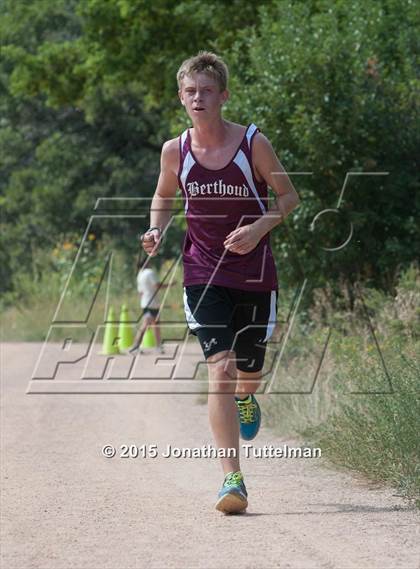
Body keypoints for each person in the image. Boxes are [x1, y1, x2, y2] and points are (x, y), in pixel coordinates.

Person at [141, 51, 300, 514]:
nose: (198, 98)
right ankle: (232, 479)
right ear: (181, 97)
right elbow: (163, 195)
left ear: (223, 95)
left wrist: (256, 229)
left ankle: (249, 399)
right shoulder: (176, 150)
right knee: (221, 370)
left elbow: (290, 197)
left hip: (254, 275)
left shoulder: (253, 144)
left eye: (207, 90)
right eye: (190, 91)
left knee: (247, 375)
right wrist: (156, 228)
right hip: (202, 273)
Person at [128, 256, 175, 354]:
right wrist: (170, 284)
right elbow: (157, 285)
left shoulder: (139, 274)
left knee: (155, 325)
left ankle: (158, 347)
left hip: (146, 303)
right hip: (152, 303)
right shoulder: (149, 272)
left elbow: (140, 292)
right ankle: (135, 346)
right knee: (146, 325)